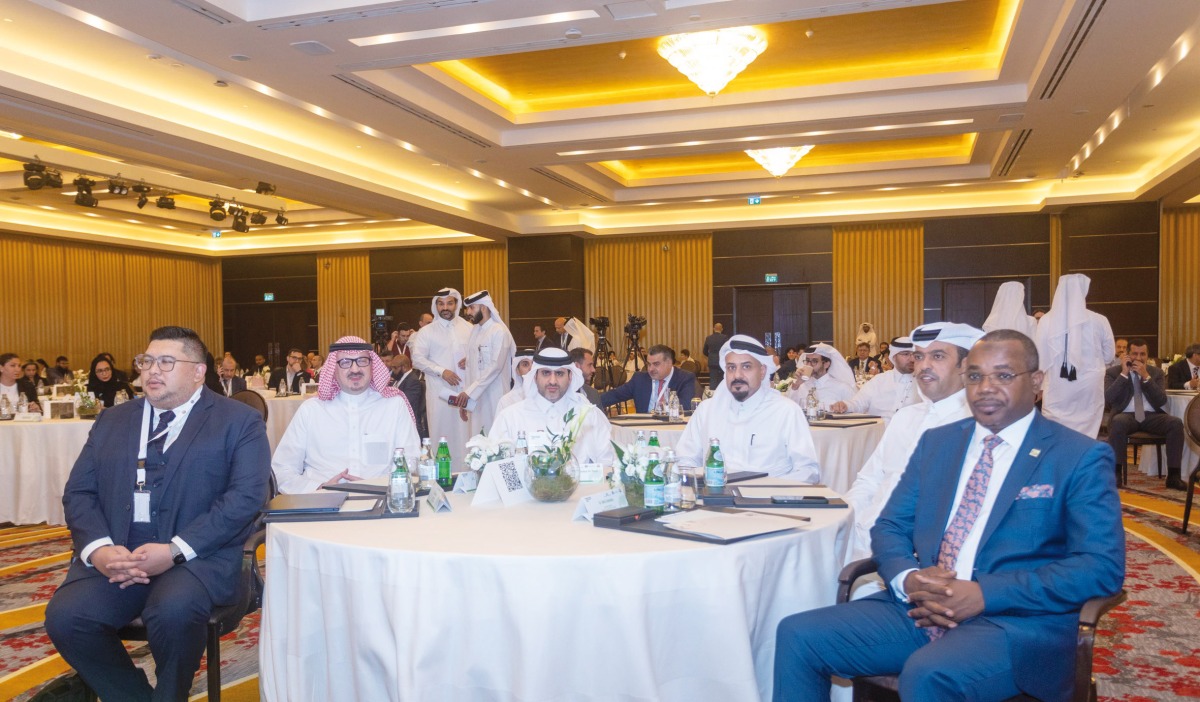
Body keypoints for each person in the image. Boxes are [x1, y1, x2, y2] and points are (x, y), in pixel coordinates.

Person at [773, 329, 1125, 702]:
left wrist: (984, 594)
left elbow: (1100, 567)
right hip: (920, 609)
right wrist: (909, 579)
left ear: (1036, 382)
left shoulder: (1078, 456)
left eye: (1004, 375)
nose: (986, 387)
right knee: (798, 635)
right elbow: (891, 525)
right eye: (974, 376)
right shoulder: (939, 443)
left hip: (1013, 622)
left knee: (929, 675)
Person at [44, 326, 271, 702]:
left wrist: (175, 549)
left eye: (166, 362)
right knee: (67, 618)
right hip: (119, 554)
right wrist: (99, 550)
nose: (152, 370)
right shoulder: (113, 420)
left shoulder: (238, 421)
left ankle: (171, 694)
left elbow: (245, 498)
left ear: (198, 371)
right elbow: (79, 492)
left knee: (174, 611)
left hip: (196, 558)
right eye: (146, 361)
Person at [843, 324, 981, 563]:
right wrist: (848, 518)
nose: (924, 365)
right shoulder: (905, 417)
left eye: (938, 356)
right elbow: (869, 480)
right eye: (919, 356)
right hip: (861, 536)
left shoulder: (976, 425)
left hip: (912, 554)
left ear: (966, 365)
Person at [273, 337, 421, 493]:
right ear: (333, 369)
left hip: (382, 501)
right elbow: (281, 470)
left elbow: (413, 465)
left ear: (372, 365)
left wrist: (379, 487)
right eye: (345, 363)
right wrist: (318, 488)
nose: (355, 369)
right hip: (321, 506)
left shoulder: (394, 405)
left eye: (362, 361)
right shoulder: (311, 410)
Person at [676, 336, 820, 481]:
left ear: (762, 371)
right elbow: (685, 459)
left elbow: (808, 470)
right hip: (714, 499)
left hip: (768, 499)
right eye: (731, 368)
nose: (737, 375)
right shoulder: (706, 410)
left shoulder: (786, 411)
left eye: (746, 366)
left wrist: (774, 493)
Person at [489, 348, 615, 466]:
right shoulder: (510, 417)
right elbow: (497, 467)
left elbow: (609, 462)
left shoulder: (588, 415)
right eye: (546, 373)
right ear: (535, 376)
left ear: (570, 377)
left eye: (560, 373)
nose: (553, 381)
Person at [1035, 274, 1114, 437]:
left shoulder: (1046, 321)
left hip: (1058, 388)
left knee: (1055, 437)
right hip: (1089, 390)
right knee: (1086, 436)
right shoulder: (1100, 320)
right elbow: (1109, 355)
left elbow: (1040, 359)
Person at [1105, 338, 1187, 490]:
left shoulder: (1156, 373)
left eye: (1142, 354)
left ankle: (1174, 476)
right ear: (1127, 355)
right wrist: (1124, 374)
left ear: (1147, 355)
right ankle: (1115, 474)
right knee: (1118, 422)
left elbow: (1161, 400)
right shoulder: (1113, 372)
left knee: (1175, 423)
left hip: (1151, 416)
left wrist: (1146, 377)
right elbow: (1109, 398)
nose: (1138, 358)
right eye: (1134, 354)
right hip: (1126, 415)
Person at [409, 288, 473, 460]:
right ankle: (442, 478)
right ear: (435, 305)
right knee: (442, 432)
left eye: (449, 303)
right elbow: (417, 359)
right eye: (441, 303)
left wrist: (470, 359)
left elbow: (479, 353)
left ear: (456, 305)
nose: (445, 307)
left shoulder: (469, 328)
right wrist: (441, 371)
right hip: (439, 393)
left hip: (466, 391)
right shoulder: (427, 332)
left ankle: (467, 475)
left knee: (467, 434)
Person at [456, 290, 516, 436]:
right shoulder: (475, 330)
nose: (468, 312)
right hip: (476, 397)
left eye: (472, 308)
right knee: (477, 436)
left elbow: (495, 367)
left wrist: (469, 393)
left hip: (494, 395)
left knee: (494, 436)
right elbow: (472, 369)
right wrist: (467, 399)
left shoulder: (499, 331)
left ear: (483, 307)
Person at [831, 336, 919, 420]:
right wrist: (845, 405)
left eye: (915, 355)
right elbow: (859, 402)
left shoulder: (924, 383)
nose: (912, 359)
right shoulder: (879, 380)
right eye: (906, 354)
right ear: (894, 357)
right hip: (880, 432)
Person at [600, 344, 697, 413]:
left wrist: (662, 407)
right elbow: (616, 395)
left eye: (656, 364)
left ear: (669, 363)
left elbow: (686, 406)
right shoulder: (640, 379)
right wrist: (588, 403)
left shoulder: (685, 379)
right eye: (649, 364)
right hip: (644, 430)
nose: (650, 369)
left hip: (671, 428)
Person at [787, 343, 856, 410]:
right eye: (807, 361)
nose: (809, 365)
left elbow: (855, 410)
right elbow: (789, 409)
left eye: (814, 361)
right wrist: (796, 386)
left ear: (826, 364)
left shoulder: (842, 387)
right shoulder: (801, 385)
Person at [386, 352, 427, 438]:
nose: (393, 370)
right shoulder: (399, 378)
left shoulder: (412, 381)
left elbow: (406, 402)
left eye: (395, 368)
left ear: (404, 367)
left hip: (409, 423)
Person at [495, 349, 536, 414]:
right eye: (525, 364)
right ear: (517, 371)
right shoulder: (506, 401)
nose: (531, 369)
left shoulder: (548, 397)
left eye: (534, 364)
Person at [702, 322, 730, 389]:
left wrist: (711, 356)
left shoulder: (709, 338)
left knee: (713, 380)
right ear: (722, 329)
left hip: (712, 361)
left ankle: (712, 396)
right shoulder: (724, 337)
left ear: (713, 329)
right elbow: (727, 349)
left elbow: (704, 351)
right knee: (722, 379)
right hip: (722, 361)